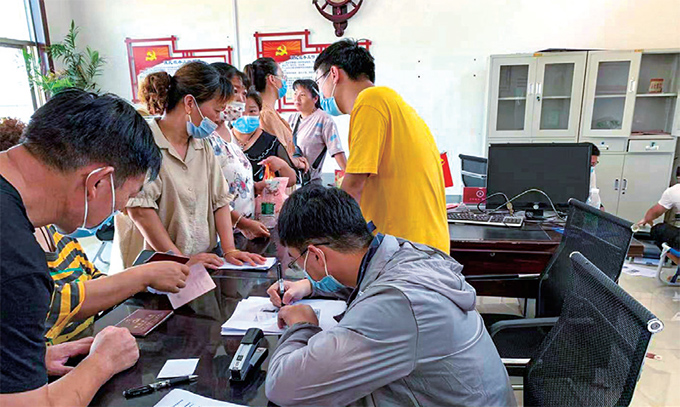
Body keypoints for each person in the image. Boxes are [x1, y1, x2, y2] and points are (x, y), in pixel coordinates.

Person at [263, 186, 515, 407]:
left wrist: (302, 325)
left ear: (317, 256)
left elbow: (284, 387)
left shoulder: (397, 304)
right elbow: (368, 279)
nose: (300, 268)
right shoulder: (400, 251)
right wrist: (310, 285)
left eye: (297, 261)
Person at [0, 88, 159, 405]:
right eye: (128, 196)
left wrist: (26, 360)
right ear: (97, 182)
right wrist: (102, 362)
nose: (121, 209)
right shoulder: (16, 259)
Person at [0, 120, 190, 345]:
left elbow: (91, 275)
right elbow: (52, 304)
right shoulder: (14, 246)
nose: (122, 207)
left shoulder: (56, 230)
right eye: (128, 196)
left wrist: (140, 281)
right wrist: (140, 277)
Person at [313, 39, 450, 253]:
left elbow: (353, 188)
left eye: (319, 81)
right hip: (419, 247)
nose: (321, 93)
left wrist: (321, 240)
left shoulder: (370, 101)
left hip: (409, 252)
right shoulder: (393, 104)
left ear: (333, 74)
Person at [124, 61, 264, 268]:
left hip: (206, 258)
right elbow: (141, 212)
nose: (218, 118)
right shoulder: (145, 144)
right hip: (165, 265)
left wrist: (230, 250)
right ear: (190, 103)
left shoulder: (203, 145)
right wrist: (181, 260)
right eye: (216, 110)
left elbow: (220, 201)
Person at [209, 62, 270, 240]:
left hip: (242, 229)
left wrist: (252, 187)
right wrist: (242, 223)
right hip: (224, 234)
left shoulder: (228, 131)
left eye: (244, 93)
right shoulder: (205, 136)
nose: (242, 100)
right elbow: (211, 195)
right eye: (235, 91)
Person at [243, 57, 308, 172]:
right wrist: (299, 163)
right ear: (272, 79)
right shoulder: (266, 115)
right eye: (282, 76)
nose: (284, 81)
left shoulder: (270, 112)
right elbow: (280, 155)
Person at [232, 89, 297, 188]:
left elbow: (292, 180)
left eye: (252, 111)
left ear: (259, 112)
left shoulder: (271, 143)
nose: (246, 116)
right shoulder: (222, 140)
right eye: (240, 110)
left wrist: (281, 166)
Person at [288, 79, 347, 185]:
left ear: (315, 98)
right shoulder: (292, 119)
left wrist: (348, 176)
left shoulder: (324, 119)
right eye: (295, 93)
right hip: (291, 182)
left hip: (311, 183)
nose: (297, 98)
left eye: (302, 95)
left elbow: (336, 150)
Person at [638, 183, 680, 261]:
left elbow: (655, 212)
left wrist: (646, 219)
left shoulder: (675, 190)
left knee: (658, 230)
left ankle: (677, 262)